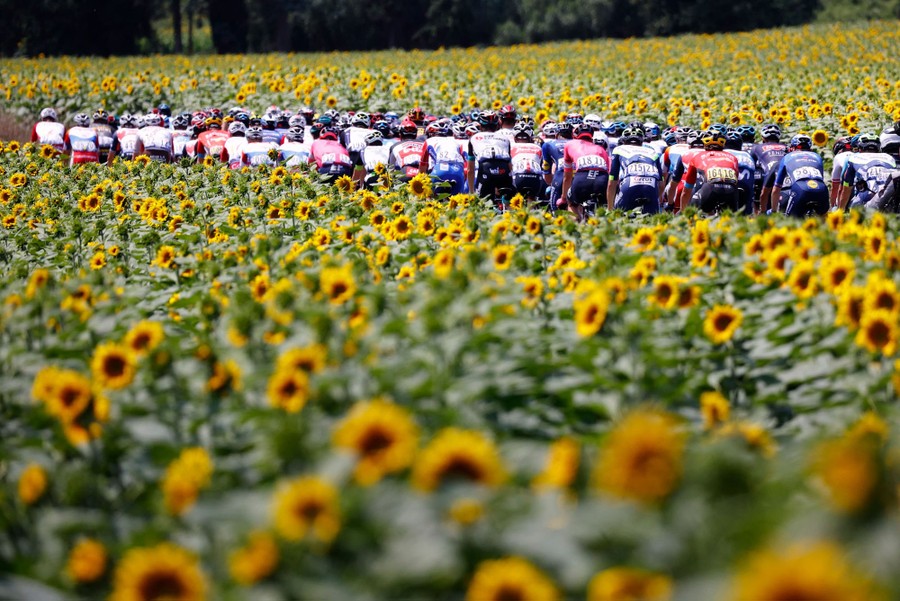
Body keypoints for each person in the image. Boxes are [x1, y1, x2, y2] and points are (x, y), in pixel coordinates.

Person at [675, 130, 741, 214]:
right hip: (731, 190)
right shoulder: (733, 157)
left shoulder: (697, 156)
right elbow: (736, 180)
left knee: (696, 213)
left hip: (710, 188)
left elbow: (686, 190)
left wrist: (684, 213)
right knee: (730, 219)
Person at [607, 125, 662, 214]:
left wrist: (610, 208)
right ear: (642, 141)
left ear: (624, 140)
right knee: (652, 222)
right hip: (651, 187)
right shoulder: (653, 152)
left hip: (630, 184)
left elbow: (612, 182)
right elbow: (661, 184)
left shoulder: (618, 149)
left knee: (620, 218)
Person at [560, 123, 610, 220]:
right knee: (601, 205)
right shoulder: (600, 149)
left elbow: (567, 176)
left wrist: (563, 198)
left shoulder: (569, 144)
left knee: (572, 203)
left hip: (582, 178)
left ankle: (576, 226)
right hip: (602, 178)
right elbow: (608, 171)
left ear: (575, 136)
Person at [770, 134, 829, 217]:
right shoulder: (817, 157)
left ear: (792, 148)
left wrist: (773, 211)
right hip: (820, 188)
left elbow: (776, 189)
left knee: (792, 223)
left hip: (800, 188)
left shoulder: (787, 157)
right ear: (810, 148)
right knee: (824, 222)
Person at [839, 133, 897, 210]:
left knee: (853, 209)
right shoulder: (889, 158)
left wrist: (840, 210)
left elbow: (846, 188)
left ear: (859, 148)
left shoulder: (853, 157)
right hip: (890, 193)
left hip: (869, 194)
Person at [466, 110, 512, 205]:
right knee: (508, 204)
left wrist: (471, 192)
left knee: (484, 204)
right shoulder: (505, 138)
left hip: (486, 168)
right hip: (504, 169)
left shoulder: (474, 138)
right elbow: (510, 165)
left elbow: (470, 169)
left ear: (480, 125)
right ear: (497, 124)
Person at [420, 121, 467, 195]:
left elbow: (423, 165)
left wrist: (421, 182)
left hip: (440, 169)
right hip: (458, 170)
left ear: (430, 134)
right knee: (459, 201)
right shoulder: (455, 141)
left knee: (430, 197)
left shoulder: (428, 141)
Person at [752, 124, 787, 213]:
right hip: (786, 178)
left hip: (770, 175)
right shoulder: (786, 147)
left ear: (763, 138)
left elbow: (751, 165)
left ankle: (759, 213)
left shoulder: (756, 147)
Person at [723, 130, 756, 215]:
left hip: (729, 183)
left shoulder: (722, 153)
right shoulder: (747, 155)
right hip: (746, 183)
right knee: (747, 212)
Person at [509, 124, 544, 201]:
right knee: (532, 200)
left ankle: (508, 209)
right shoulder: (537, 147)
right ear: (530, 137)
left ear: (515, 138)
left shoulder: (511, 147)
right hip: (535, 178)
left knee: (511, 198)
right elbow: (542, 165)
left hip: (518, 177)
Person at [541, 121, 568, 210]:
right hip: (579, 177)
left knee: (555, 210)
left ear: (556, 135)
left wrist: (550, 182)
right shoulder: (578, 143)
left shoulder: (548, 144)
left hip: (560, 177)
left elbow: (546, 166)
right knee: (576, 206)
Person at [829, 136, 854, 209]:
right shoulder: (858, 155)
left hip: (847, 189)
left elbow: (835, 186)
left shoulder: (838, 157)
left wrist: (833, 206)